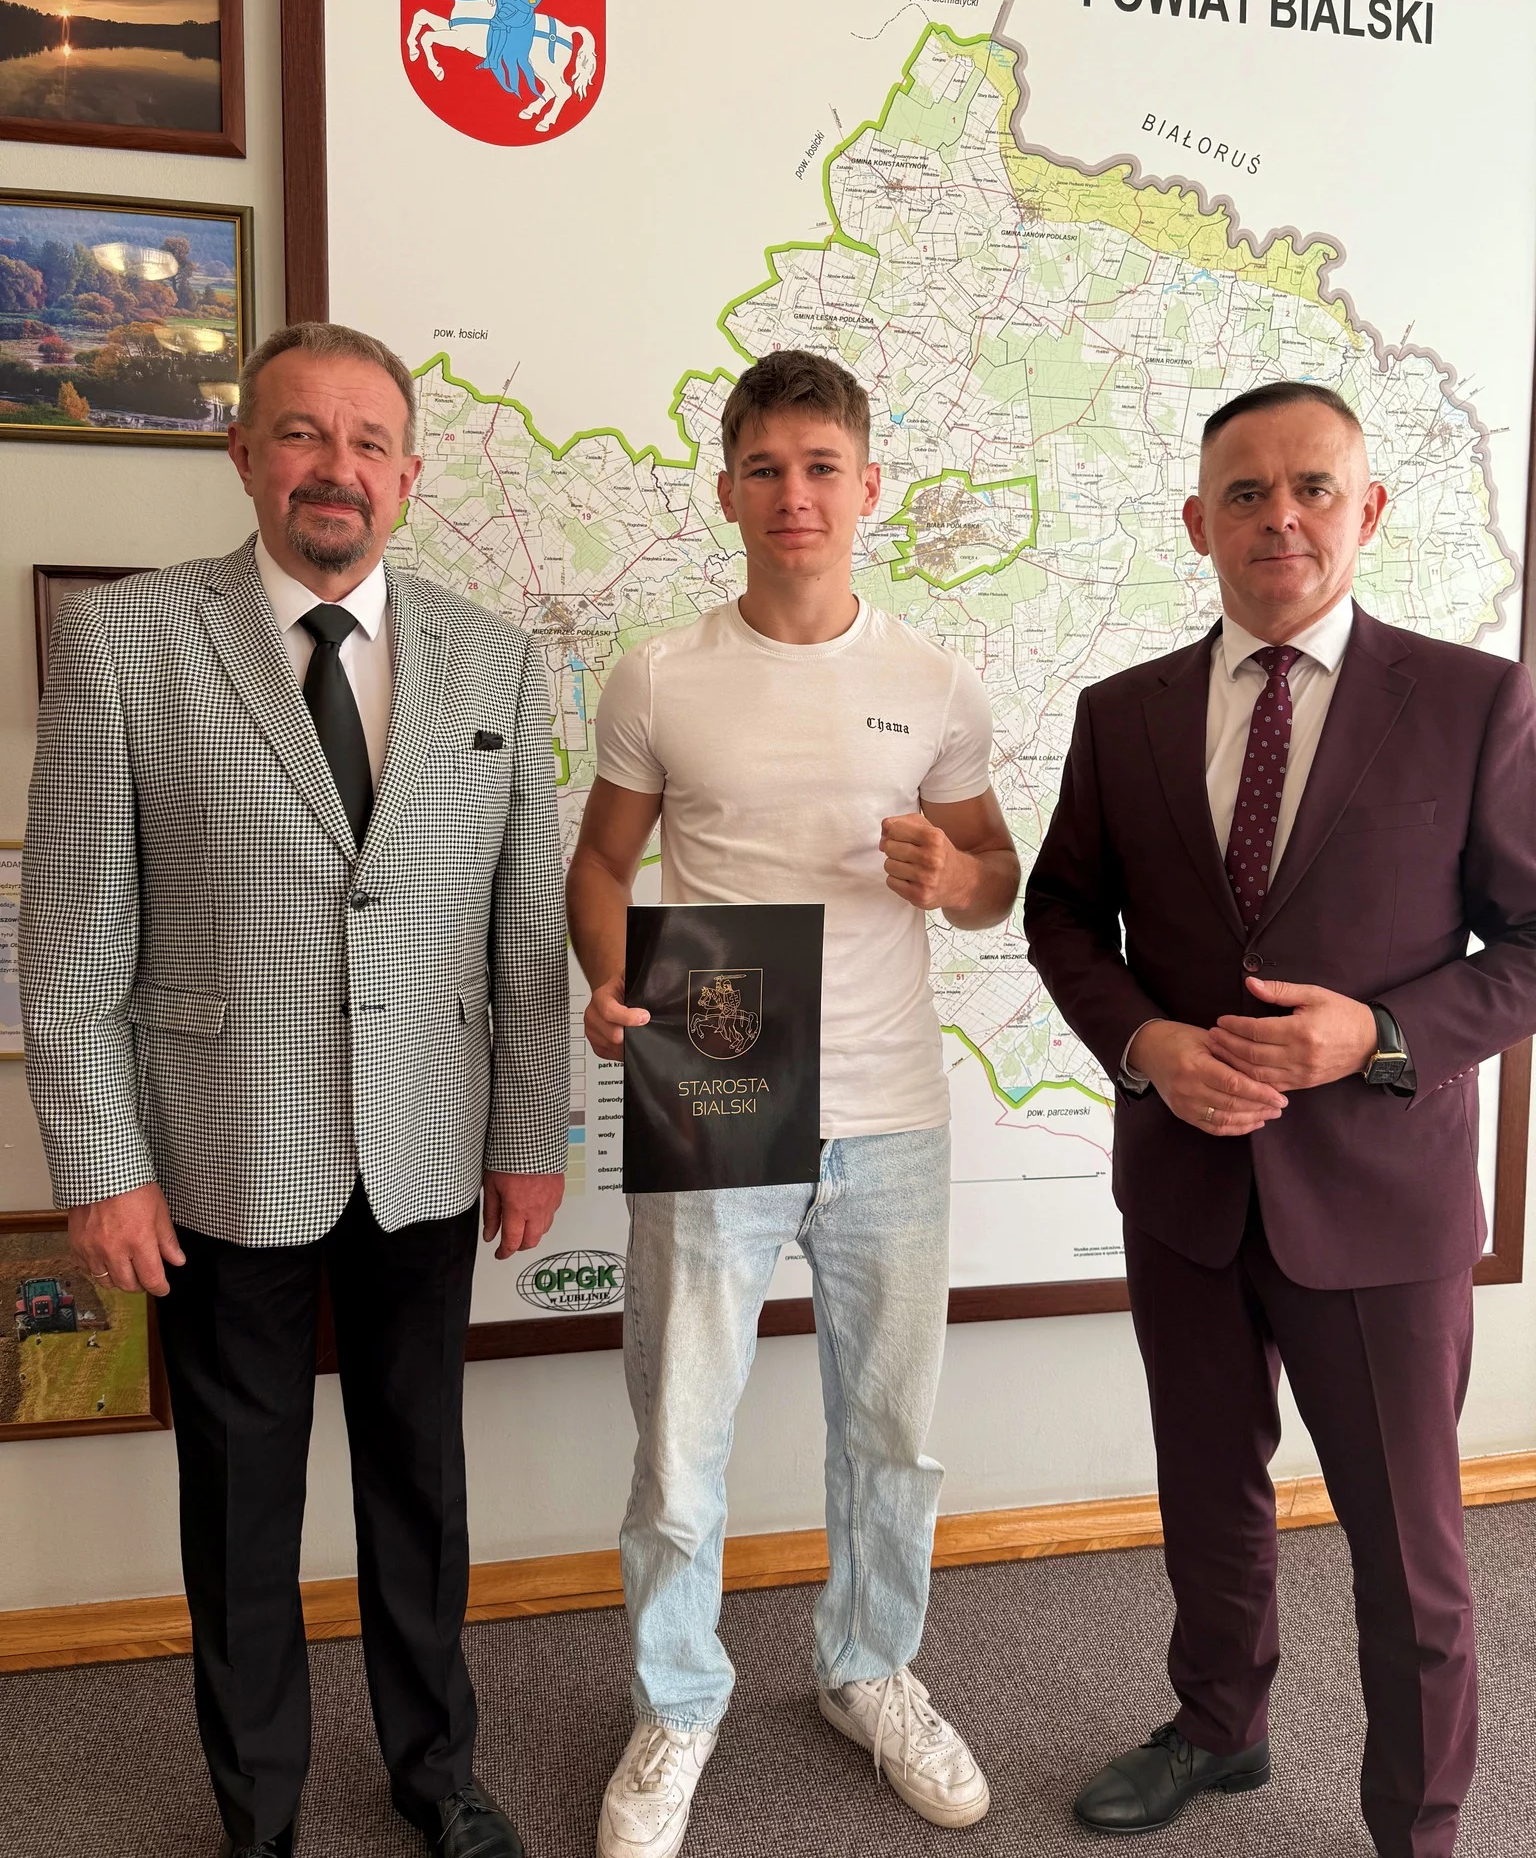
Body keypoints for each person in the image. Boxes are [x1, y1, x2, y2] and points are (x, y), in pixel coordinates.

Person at [20, 321, 568, 1858]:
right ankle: (257, 1813)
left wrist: (530, 1132)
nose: (339, 467)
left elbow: (524, 922)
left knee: (423, 1486)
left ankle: (437, 1775)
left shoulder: (492, 656)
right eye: (305, 434)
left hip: (428, 1152)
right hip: (218, 1155)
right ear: (246, 452)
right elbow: (71, 942)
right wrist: (101, 1163)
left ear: (409, 472)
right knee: (239, 1506)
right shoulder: (127, 642)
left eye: (368, 441)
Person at [1023, 380, 1536, 1857]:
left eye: (1313, 486)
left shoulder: (1475, 701)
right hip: (1184, 1190)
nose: (1280, 516)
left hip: (1381, 1206)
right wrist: (1145, 1044)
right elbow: (1064, 916)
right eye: (1245, 492)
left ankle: (1419, 1825)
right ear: (1199, 523)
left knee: (1411, 1549)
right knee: (1207, 1494)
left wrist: (1377, 1033)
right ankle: (1218, 1725)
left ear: (1367, 510)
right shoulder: (1122, 715)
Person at [566, 349, 1020, 1858]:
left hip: (892, 1111)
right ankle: (676, 1700)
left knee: (890, 1432)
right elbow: (601, 864)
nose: (795, 494)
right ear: (727, 491)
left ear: (867, 486)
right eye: (766, 467)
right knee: (679, 1436)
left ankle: (868, 1668)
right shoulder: (660, 675)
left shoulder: (934, 680)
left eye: (823, 466)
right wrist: (611, 979)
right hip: (718, 1088)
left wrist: (956, 876)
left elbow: (997, 875)